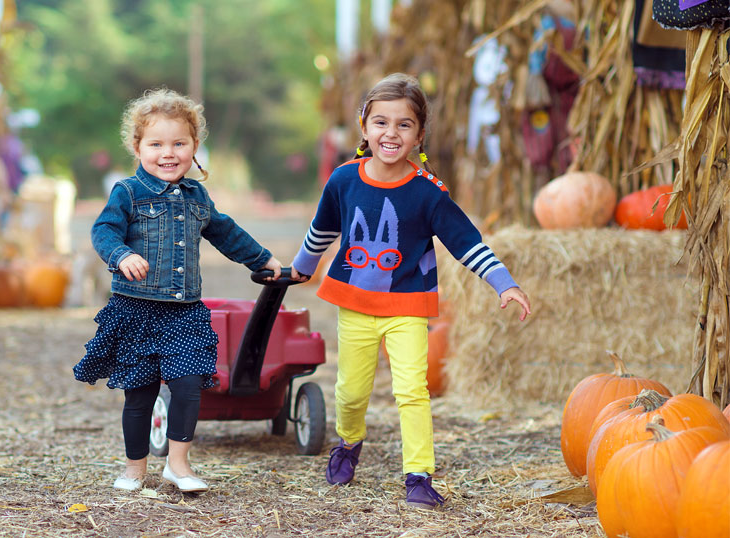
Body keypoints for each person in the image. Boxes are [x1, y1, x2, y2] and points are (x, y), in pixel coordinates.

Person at [288, 73, 531, 510]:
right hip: (356, 303)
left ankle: (418, 474)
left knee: (412, 391)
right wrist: (300, 270)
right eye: (380, 122)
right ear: (364, 126)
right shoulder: (343, 181)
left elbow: (467, 243)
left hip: (407, 305)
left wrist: (504, 283)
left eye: (404, 125)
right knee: (351, 392)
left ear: (420, 134)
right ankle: (348, 443)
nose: (391, 133)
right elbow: (322, 231)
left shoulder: (428, 193)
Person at [74, 88, 283, 494]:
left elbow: (225, 232)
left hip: (183, 312)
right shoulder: (128, 193)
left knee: (188, 386)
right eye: (156, 144)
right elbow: (103, 230)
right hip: (135, 310)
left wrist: (263, 260)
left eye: (179, 144)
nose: (168, 153)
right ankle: (135, 468)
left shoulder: (196, 196)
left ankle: (178, 465)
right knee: (140, 394)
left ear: (194, 146)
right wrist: (119, 255)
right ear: (137, 147)